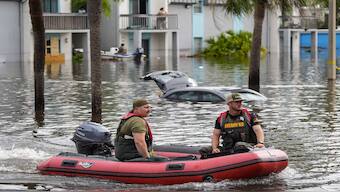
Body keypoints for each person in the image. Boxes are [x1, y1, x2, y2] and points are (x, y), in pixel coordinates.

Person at [201, 93, 265, 157]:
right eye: (237, 102)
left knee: (239, 145)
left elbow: (258, 130)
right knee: (204, 150)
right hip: (228, 148)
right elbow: (216, 135)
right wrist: (215, 148)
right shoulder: (221, 119)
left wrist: (260, 143)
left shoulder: (249, 116)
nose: (240, 104)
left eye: (240, 102)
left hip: (248, 147)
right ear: (229, 104)